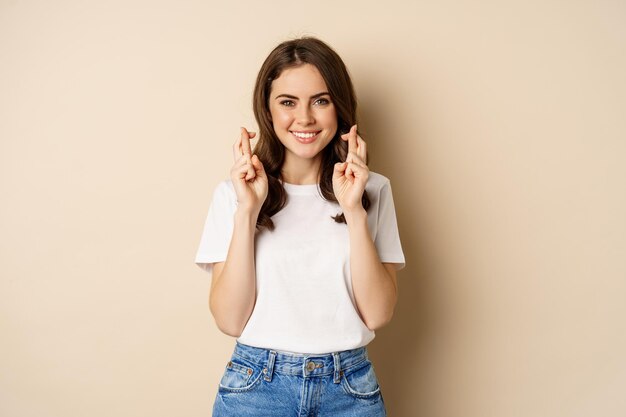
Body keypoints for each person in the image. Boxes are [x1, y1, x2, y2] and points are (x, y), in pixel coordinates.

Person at [195, 36, 405, 417]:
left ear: (339, 108)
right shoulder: (233, 195)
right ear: (268, 110)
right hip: (255, 389)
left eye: (320, 101)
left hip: (349, 391)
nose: (305, 118)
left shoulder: (374, 189)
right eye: (288, 102)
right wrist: (248, 210)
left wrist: (354, 210)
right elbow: (229, 319)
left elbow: (376, 314)